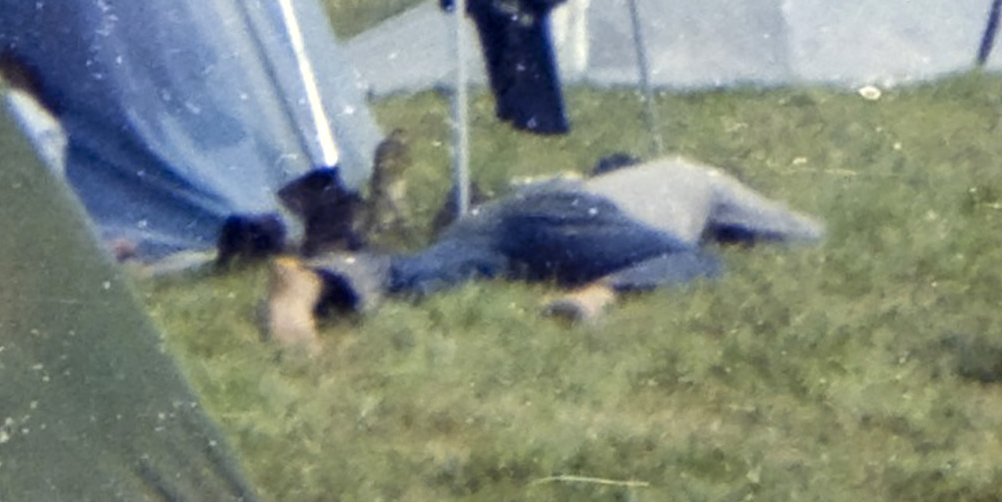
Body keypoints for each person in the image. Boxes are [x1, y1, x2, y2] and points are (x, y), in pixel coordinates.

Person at [261, 154, 824, 349]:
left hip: (508, 213)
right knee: (700, 262)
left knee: (419, 274)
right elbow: (799, 231)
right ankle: (597, 296)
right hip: (582, 222)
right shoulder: (698, 177)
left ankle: (311, 280)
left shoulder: (621, 176)